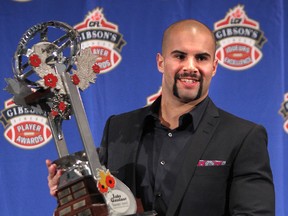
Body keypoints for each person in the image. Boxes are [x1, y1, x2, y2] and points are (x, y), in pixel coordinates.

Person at [47, 19, 275, 215]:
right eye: (180, 56)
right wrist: (72, 188)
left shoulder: (243, 136)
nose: (191, 67)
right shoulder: (119, 128)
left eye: (202, 58)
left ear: (214, 67)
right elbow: (105, 200)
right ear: (160, 62)